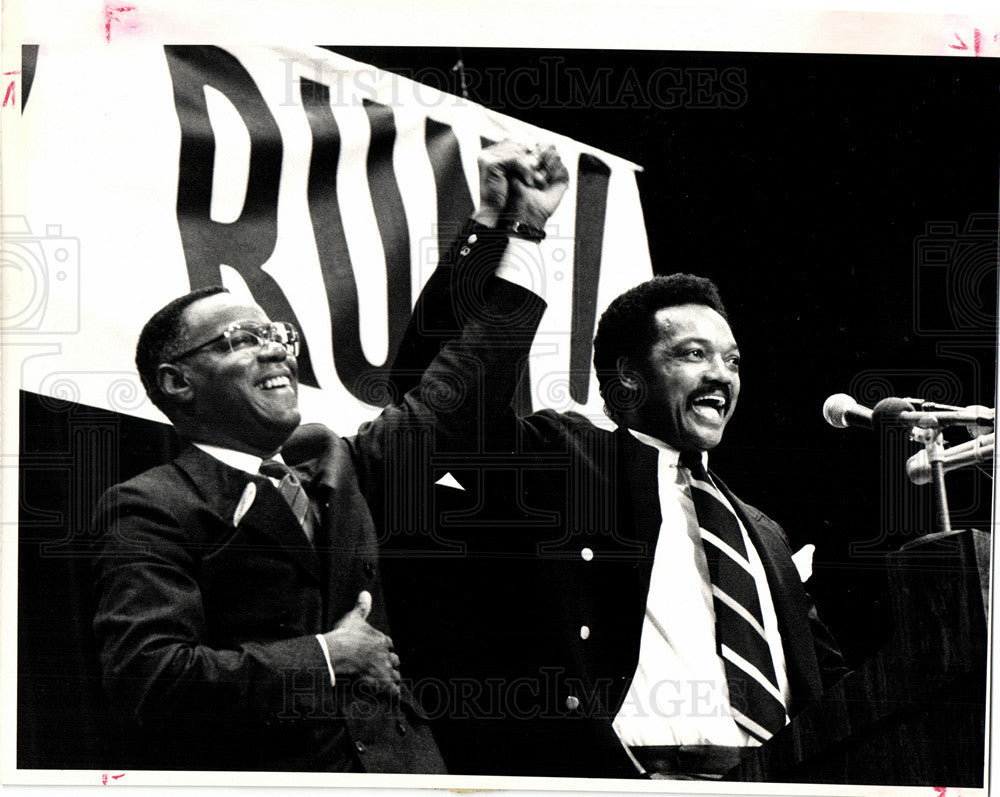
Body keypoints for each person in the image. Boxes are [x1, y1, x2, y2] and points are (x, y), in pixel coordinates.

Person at [90, 141, 569, 772]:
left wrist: (515, 230)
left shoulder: (339, 466)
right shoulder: (151, 505)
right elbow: (150, 678)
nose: (276, 352)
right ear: (178, 382)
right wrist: (324, 656)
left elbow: (463, 383)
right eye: (243, 338)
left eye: (277, 336)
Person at [386, 272, 849, 779]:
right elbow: (431, 399)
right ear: (629, 374)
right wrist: (508, 233)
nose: (722, 375)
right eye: (694, 354)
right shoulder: (562, 463)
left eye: (732, 360)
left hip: (781, 785)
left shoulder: (763, 532)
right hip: (622, 783)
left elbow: (835, 687)